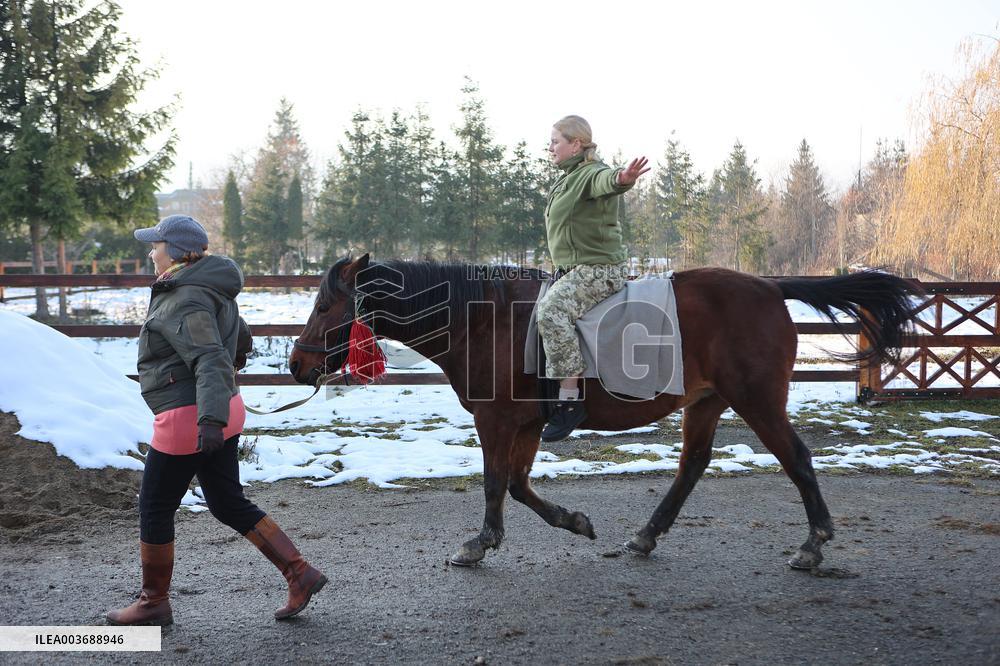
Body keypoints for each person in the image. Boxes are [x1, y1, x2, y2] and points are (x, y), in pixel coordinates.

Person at [106, 215, 327, 626]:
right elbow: (238, 334)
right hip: (223, 407)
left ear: (174, 252)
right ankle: (300, 572)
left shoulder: (183, 297)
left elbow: (208, 356)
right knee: (227, 502)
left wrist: (208, 418)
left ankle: (153, 603)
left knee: (154, 506)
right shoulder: (210, 287)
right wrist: (234, 363)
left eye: (154, 246)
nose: (150, 252)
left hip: (191, 415)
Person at [537, 116, 650, 442]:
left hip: (598, 269)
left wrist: (623, 178)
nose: (550, 147)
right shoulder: (566, 178)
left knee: (552, 310)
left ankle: (571, 402)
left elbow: (607, 180)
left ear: (576, 144)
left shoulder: (589, 173)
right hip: (572, 269)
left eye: (556, 141)